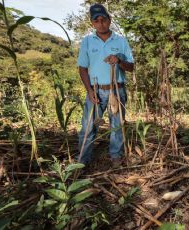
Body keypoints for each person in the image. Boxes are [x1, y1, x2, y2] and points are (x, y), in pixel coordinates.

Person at [77, 3, 134, 165]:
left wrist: (119, 60)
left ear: (110, 20)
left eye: (104, 19)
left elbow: (131, 67)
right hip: (95, 90)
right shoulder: (87, 41)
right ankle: (83, 160)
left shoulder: (121, 41)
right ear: (92, 23)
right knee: (88, 127)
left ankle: (116, 155)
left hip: (117, 90)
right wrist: (89, 90)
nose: (100, 23)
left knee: (117, 126)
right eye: (96, 21)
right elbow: (82, 68)